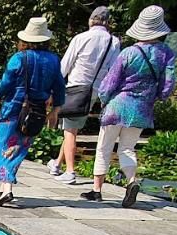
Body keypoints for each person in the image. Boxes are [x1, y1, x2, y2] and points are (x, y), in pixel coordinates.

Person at [83, 5, 177, 207]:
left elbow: (110, 83)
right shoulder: (166, 54)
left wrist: (104, 99)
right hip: (141, 108)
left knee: (104, 147)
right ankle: (131, 181)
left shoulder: (129, 52)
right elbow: (168, 85)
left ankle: (97, 190)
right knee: (127, 148)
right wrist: (157, 96)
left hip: (118, 105)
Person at [0, 17, 65, 207]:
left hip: (13, 109)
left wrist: (0, 92)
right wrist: (55, 110)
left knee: (5, 146)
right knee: (20, 147)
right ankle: (6, 185)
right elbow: (60, 87)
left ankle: (7, 189)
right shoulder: (54, 60)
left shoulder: (19, 58)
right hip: (36, 112)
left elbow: (5, 84)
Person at [49, 6, 119, 184]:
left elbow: (64, 66)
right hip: (95, 89)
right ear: (107, 22)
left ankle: (70, 172)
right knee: (71, 127)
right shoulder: (114, 42)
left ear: (91, 20)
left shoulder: (81, 38)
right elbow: (113, 70)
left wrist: (53, 88)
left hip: (75, 87)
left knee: (70, 131)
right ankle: (57, 164)